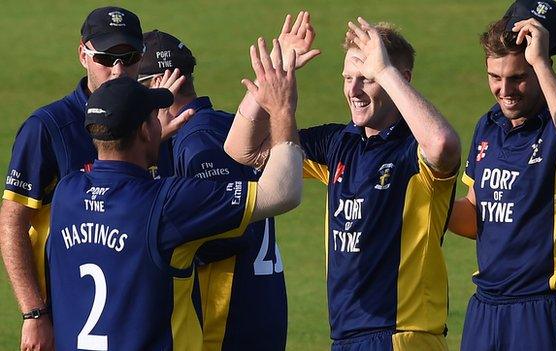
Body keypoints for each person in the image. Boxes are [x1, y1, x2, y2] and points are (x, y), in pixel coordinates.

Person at [46, 35, 303, 350]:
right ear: (144, 130)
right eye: (154, 119)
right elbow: (283, 192)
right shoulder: (166, 202)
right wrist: (281, 110)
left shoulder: (68, 192)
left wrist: (147, 140)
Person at [225, 16, 460, 351]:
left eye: (367, 79)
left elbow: (444, 146)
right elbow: (242, 150)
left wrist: (385, 72)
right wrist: (271, 80)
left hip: (404, 336)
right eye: (348, 78)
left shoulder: (413, 150)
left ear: (400, 79)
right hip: (346, 338)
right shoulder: (339, 143)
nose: (353, 90)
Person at [0, 7, 192, 350]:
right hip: (69, 320)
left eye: (130, 58)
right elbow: (12, 223)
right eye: (106, 58)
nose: (118, 71)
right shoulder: (48, 128)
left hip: (142, 324)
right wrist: (34, 314)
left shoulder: (154, 122)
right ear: (83, 54)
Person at [447, 1, 556, 350]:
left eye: (518, 78)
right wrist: (427, 200)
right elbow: (475, 217)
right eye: (495, 77)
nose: (505, 90)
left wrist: (540, 62)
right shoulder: (487, 127)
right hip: (486, 309)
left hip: (549, 307)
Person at [137, 26, 308, 350]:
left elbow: (228, 229)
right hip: (254, 311)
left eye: (137, 88)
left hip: (225, 321)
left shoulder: (197, 142)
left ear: (160, 84)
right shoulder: (226, 124)